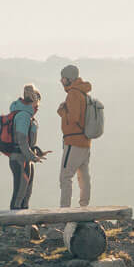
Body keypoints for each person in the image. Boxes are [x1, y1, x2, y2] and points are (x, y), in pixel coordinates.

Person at [57, 63, 94, 208]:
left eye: (63, 78)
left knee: (65, 177)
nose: (61, 81)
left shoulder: (73, 94)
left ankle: (64, 210)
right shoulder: (84, 93)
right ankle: (84, 206)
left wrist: (62, 112)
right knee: (83, 176)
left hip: (73, 141)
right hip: (85, 141)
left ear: (69, 79)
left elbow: (74, 118)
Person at [7, 84, 48, 210]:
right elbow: (22, 141)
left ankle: (23, 223)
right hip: (20, 159)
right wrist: (33, 157)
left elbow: (27, 142)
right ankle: (13, 225)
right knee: (20, 193)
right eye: (38, 104)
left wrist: (36, 153)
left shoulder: (26, 115)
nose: (38, 107)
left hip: (24, 159)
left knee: (26, 192)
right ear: (35, 101)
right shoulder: (24, 116)